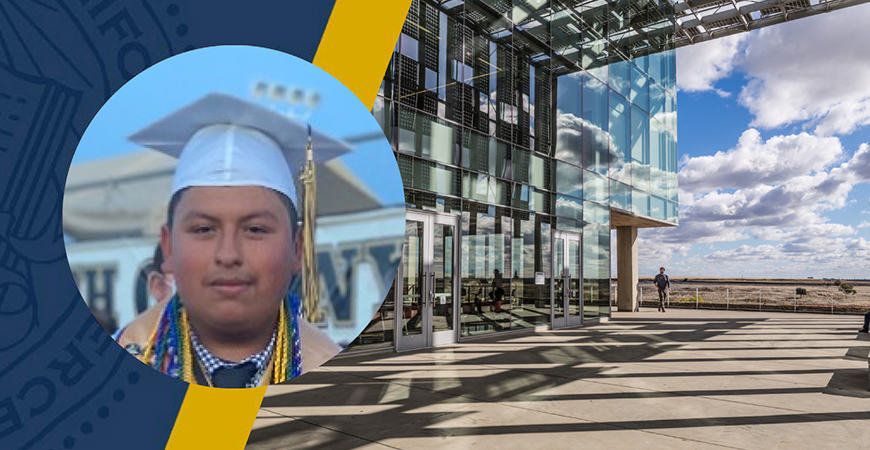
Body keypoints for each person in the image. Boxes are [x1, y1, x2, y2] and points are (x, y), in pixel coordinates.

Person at [115, 93, 348, 388]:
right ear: (169, 247)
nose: (228, 255)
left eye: (255, 229)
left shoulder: (343, 384)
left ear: (297, 248)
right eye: (203, 229)